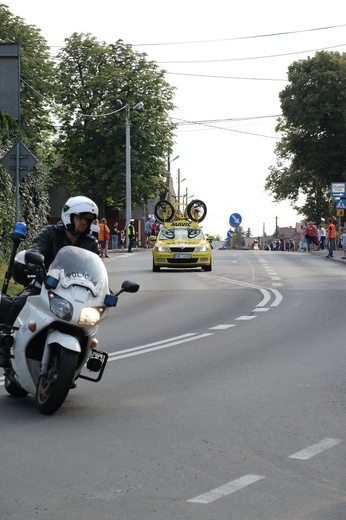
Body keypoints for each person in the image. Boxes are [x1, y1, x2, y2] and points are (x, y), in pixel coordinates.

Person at [0, 195, 99, 367]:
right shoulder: (50, 232)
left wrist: (103, 288)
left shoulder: (90, 243)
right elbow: (37, 247)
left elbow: (96, 266)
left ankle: (78, 359)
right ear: (69, 216)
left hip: (74, 293)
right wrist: (35, 264)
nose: (84, 222)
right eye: (80, 217)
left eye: (88, 219)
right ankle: (4, 346)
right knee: (20, 303)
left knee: (88, 321)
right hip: (45, 285)